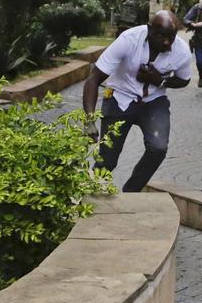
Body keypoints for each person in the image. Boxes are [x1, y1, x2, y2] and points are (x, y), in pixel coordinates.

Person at [82, 11, 192, 191]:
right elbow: (93, 79)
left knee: (158, 149)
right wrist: (89, 119)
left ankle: (131, 191)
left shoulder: (181, 51)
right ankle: (93, 196)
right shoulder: (128, 40)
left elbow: (184, 79)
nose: (166, 42)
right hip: (120, 98)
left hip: (154, 102)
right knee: (107, 160)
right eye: (161, 36)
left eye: (171, 37)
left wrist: (160, 81)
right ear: (149, 30)